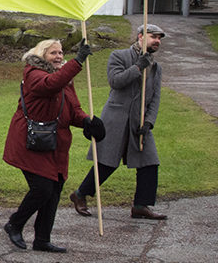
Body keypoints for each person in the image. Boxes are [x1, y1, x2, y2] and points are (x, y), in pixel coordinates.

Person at [1, 39, 101, 253]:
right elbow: (50, 85)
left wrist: (87, 122)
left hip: (54, 144)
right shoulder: (33, 73)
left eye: (61, 53)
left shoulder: (63, 78)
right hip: (30, 143)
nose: (58, 56)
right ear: (42, 55)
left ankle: (42, 239)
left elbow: (73, 109)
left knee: (54, 190)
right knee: (43, 188)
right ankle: (14, 224)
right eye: (53, 53)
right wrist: (78, 61)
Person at [70, 24, 168, 220]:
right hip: (116, 119)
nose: (157, 41)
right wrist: (138, 66)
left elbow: (155, 98)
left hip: (139, 122)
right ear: (140, 36)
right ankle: (80, 194)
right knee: (107, 162)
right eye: (153, 36)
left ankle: (141, 205)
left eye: (159, 38)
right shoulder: (119, 56)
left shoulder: (156, 67)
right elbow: (116, 81)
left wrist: (149, 122)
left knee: (149, 161)